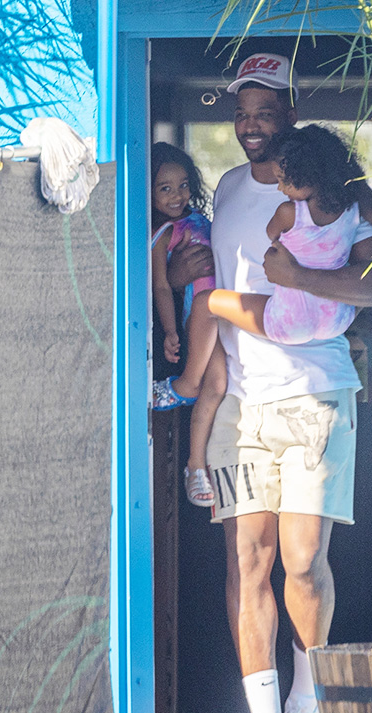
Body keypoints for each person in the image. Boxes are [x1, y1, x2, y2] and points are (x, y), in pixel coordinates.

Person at [168, 53, 372, 713]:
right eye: (242, 113)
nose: (250, 125)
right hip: (240, 400)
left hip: (314, 394)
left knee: (303, 564)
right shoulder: (231, 189)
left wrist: (302, 278)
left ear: (291, 114)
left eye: (265, 112)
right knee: (248, 564)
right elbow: (200, 273)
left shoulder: (338, 192)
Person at [151, 123, 372, 455]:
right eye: (242, 113)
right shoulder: (350, 209)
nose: (280, 188)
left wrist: (296, 274)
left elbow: (273, 235)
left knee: (209, 302)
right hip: (333, 320)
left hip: (295, 339)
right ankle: (195, 449)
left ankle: (186, 384)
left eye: (283, 180)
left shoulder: (289, 211)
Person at [150, 142, 226, 507]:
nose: (177, 195)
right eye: (165, 188)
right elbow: (162, 286)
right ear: (149, 192)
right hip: (200, 314)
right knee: (205, 305)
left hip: (224, 316)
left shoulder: (198, 220)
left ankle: (195, 464)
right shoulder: (161, 233)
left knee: (220, 384)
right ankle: (183, 384)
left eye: (182, 185)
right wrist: (169, 332)